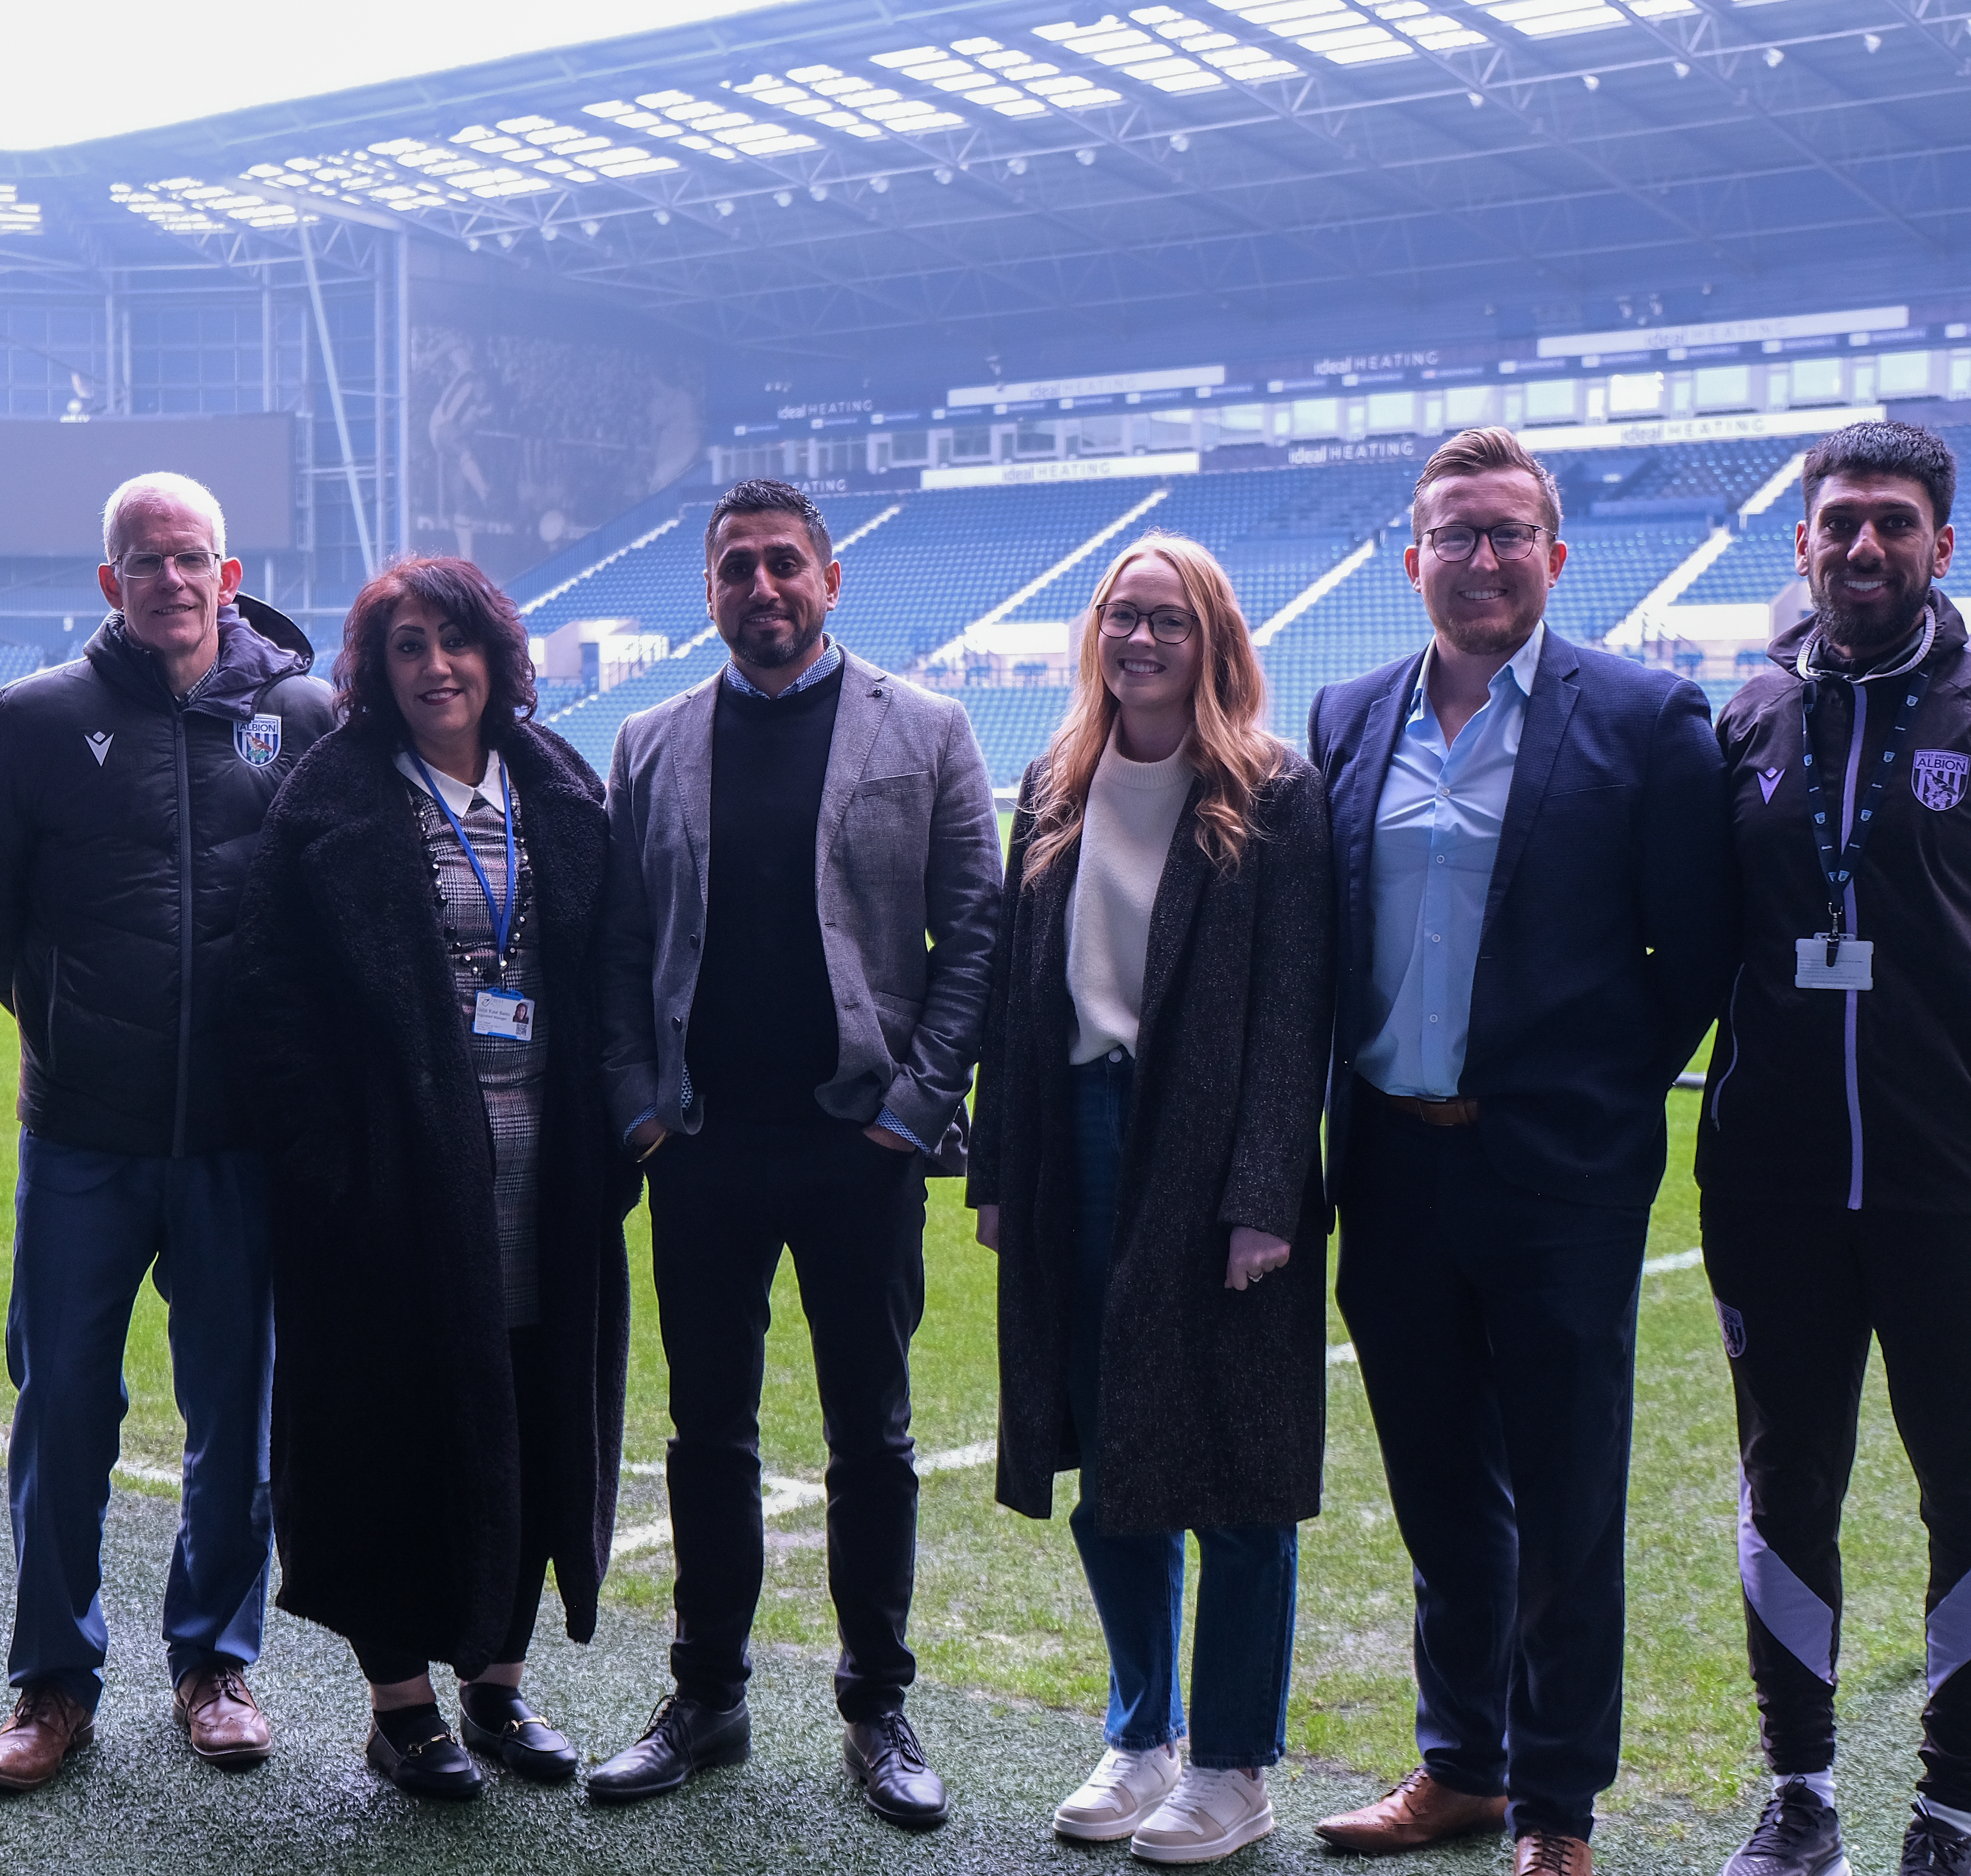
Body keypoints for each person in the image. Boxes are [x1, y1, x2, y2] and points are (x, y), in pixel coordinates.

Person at [1304, 427, 1736, 1876]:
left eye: (1506, 536)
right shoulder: (1348, 716)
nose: (1479, 561)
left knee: (1564, 1500)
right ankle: (1462, 1768)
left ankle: (1557, 1811)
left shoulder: (1645, 716)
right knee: (1438, 1489)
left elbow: (1698, 953)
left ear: (1553, 555)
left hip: (1554, 1174)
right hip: (1392, 1168)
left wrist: (1593, 1095)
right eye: (1453, 535)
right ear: (1408, 554)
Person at [1695, 422, 1971, 1876]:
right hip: (1772, 1189)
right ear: (1801, 545)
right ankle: (1799, 1792)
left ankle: (1948, 1813)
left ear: (1941, 546)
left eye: (1892, 522)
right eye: (1839, 524)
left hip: (1964, 1199)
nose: (1863, 546)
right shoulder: (1744, 723)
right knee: (1784, 1483)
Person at [587, 478, 1001, 1827]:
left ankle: (878, 1707)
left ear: (831, 580)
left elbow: (976, 934)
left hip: (858, 1146)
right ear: (706, 590)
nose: (761, 590)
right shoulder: (649, 743)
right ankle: (706, 1695)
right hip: (701, 1146)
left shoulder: (926, 732)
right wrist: (643, 1109)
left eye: (784, 567)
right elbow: (616, 947)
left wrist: (916, 1109)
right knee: (708, 1432)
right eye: (735, 571)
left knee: (869, 1439)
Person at [0, 471, 336, 1793]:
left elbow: (338, 910)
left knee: (239, 1413)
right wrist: (68, 1021)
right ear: (109, 583)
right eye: (144, 561)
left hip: (240, 1141)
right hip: (84, 1140)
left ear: (231, 576)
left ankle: (215, 1663)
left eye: (194, 560)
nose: (171, 580)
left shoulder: (304, 715)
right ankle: (51, 1686)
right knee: (64, 1410)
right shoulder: (40, 719)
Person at [235, 556, 633, 1801]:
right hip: (391, 1195)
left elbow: (612, 974)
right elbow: (275, 1008)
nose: (435, 668)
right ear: (378, 669)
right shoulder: (329, 800)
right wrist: (336, 1174)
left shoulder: (559, 786)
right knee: (390, 1436)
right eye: (408, 647)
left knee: (529, 1415)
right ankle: (402, 1705)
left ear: (497, 657)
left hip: (543, 1186)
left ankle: (497, 1686)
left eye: (454, 643)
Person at [968, 533, 1335, 1865]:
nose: (1142, 640)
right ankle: (1143, 1735)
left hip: (1211, 1150)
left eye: (1170, 621)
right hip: (1076, 1141)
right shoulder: (1055, 782)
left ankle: (1234, 1765)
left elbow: (1297, 1016)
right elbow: (1019, 997)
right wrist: (1002, 1173)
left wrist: (1265, 1197)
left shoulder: (1272, 794)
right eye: (1124, 616)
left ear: (1215, 640)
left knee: (1236, 1468)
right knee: (1109, 1456)